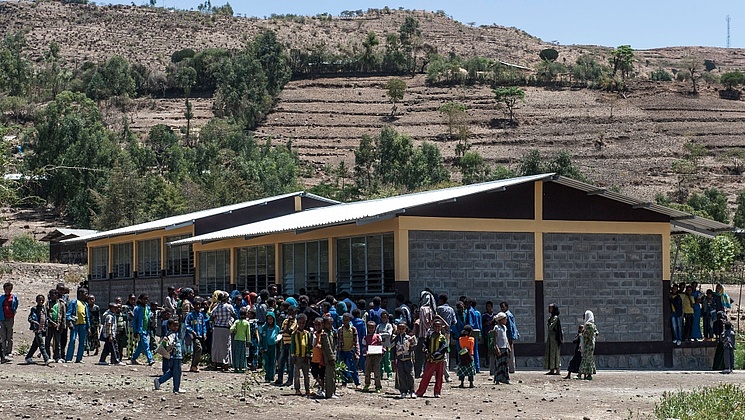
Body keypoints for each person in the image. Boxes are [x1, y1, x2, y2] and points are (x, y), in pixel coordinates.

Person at [415, 319, 448, 398]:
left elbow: (444, 348)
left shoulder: (442, 337)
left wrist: (436, 354)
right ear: (433, 327)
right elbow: (425, 344)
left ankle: (437, 392)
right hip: (430, 360)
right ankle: (420, 392)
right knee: (426, 376)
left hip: (439, 360)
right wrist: (425, 350)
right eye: (435, 326)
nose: (437, 328)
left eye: (439, 326)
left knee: (439, 377)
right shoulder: (430, 336)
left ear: (441, 327)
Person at [154, 318, 183, 394]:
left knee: (171, 372)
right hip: (175, 356)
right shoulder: (171, 335)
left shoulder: (173, 333)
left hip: (175, 356)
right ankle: (176, 389)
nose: (176, 327)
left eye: (177, 325)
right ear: (169, 326)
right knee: (177, 372)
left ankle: (159, 381)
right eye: (174, 325)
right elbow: (167, 344)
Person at [211, 292, 236, 371]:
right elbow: (234, 315)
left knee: (216, 346)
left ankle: (215, 363)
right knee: (226, 346)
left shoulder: (216, 307)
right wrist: (230, 321)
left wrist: (216, 321)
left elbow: (211, 316)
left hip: (217, 328)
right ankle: (225, 364)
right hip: (225, 328)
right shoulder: (229, 307)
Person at [65, 287, 90, 363]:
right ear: (80, 294)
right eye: (86, 294)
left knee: (82, 342)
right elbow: (68, 314)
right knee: (72, 340)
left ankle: (79, 359)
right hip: (75, 325)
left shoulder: (85, 304)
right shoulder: (74, 302)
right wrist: (70, 322)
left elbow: (87, 316)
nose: (87, 295)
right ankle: (69, 358)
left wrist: (88, 327)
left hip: (83, 325)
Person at [393, 322, 417, 399]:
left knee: (410, 375)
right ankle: (403, 391)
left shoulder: (409, 338)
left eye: (403, 328)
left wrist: (411, 343)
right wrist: (392, 360)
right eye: (399, 328)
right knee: (401, 376)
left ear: (405, 328)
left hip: (408, 359)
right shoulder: (395, 338)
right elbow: (393, 350)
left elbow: (413, 348)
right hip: (400, 360)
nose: (401, 330)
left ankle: (412, 391)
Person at [26, 294, 52, 365]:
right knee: (41, 344)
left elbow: (46, 318)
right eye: (39, 300)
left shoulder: (44, 309)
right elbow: (30, 318)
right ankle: (46, 359)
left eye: (42, 300)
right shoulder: (34, 309)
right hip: (37, 329)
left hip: (43, 329)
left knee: (35, 344)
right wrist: (35, 322)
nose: (41, 301)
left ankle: (28, 357)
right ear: (36, 301)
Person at [130, 293, 154, 366]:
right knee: (146, 345)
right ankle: (150, 359)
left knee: (140, 346)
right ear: (141, 299)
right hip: (140, 330)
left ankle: (133, 358)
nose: (146, 300)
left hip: (146, 329)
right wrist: (135, 331)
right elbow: (135, 320)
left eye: (147, 299)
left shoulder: (148, 308)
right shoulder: (137, 309)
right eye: (144, 299)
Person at [415, 291, 435, 378]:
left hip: (422, 335)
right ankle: (426, 372)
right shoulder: (432, 309)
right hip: (430, 336)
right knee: (428, 356)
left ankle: (417, 373)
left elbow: (424, 322)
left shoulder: (422, 309)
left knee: (419, 356)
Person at [337, 312, 360, 388]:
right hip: (342, 350)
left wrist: (357, 352)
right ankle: (344, 382)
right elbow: (338, 340)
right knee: (343, 368)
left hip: (351, 350)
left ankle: (357, 383)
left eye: (347, 320)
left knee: (353, 367)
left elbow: (356, 341)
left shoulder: (353, 329)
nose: (345, 321)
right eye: (344, 320)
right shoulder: (340, 330)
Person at [291, 313, 312, 395]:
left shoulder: (307, 333)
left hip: (305, 357)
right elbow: (293, 345)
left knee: (306, 374)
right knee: (297, 374)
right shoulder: (294, 334)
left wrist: (308, 355)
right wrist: (293, 356)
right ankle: (297, 389)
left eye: (303, 323)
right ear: (297, 323)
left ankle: (307, 389)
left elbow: (308, 345)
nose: (301, 325)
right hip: (297, 356)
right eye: (300, 323)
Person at [276, 305, 296, 386]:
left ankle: (290, 380)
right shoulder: (285, 321)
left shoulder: (295, 322)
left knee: (290, 363)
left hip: (291, 344)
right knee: (281, 361)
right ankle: (280, 378)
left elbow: (289, 331)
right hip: (284, 343)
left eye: (292, 312)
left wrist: (286, 328)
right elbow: (282, 330)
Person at [184, 298, 206, 373]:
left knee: (196, 350)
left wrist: (204, 333)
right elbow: (187, 325)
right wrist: (192, 331)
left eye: (199, 305)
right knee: (199, 348)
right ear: (193, 306)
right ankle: (195, 365)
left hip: (200, 335)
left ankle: (193, 366)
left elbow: (203, 325)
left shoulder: (201, 315)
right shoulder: (190, 315)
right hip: (194, 335)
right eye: (196, 305)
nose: (198, 306)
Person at [362, 320, 383, 393]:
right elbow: (364, 347)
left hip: (376, 356)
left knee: (377, 371)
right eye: (369, 327)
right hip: (369, 356)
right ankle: (367, 384)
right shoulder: (365, 337)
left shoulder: (378, 336)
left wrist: (382, 351)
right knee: (367, 370)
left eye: (372, 327)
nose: (371, 329)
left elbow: (381, 345)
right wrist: (365, 352)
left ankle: (378, 386)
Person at [45, 289, 66, 363]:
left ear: (56, 295)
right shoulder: (47, 304)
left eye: (53, 295)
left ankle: (57, 357)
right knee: (47, 342)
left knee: (57, 342)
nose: (51, 296)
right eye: (50, 295)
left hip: (58, 325)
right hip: (49, 326)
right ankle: (47, 357)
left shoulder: (61, 304)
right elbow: (46, 315)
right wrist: (51, 322)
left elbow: (63, 316)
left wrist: (63, 326)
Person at [320, 316, 338, 399]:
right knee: (329, 376)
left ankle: (333, 391)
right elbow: (327, 347)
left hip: (333, 356)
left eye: (331, 323)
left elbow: (335, 345)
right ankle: (329, 393)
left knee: (333, 375)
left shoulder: (332, 333)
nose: (330, 325)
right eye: (328, 324)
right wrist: (331, 357)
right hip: (329, 358)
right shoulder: (324, 334)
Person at [260, 311, 280, 383]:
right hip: (265, 347)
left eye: (271, 319)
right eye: (268, 319)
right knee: (266, 362)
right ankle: (266, 376)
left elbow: (279, 336)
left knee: (273, 362)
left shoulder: (276, 328)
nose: (270, 321)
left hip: (273, 347)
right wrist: (261, 347)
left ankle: (271, 376)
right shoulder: (264, 327)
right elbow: (261, 338)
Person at [500, 301, 519, 374]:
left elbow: (511, 327)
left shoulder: (507, 315)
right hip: (508, 336)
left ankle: (511, 368)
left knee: (510, 352)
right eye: (501, 307)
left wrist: (510, 337)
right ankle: (510, 368)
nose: (502, 309)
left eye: (503, 307)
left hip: (509, 336)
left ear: (506, 307)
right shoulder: (508, 314)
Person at [578, 310, 598, 380]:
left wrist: (582, 334)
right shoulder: (593, 324)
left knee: (585, 359)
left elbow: (587, 335)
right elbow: (596, 333)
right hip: (591, 344)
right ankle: (588, 374)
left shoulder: (588, 325)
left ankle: (580, 374)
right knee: (589, 359)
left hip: (588, 345)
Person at [543, 303, 562, 375]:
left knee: (555, 353)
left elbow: (551, 327)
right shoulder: (552, 317)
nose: (549, 309)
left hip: (555, 339)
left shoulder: (555, 318)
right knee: (550, 353)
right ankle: (551, 369)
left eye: (550, 308)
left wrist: (548, 322)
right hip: (550, 338)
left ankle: (557, 369)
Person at [230, 307, 250, 373]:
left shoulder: (236, 321)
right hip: (243, 340)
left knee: (236, 353)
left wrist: (234, 331)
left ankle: (236, 367)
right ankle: (241, 367)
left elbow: (231, 329)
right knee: (242, 354)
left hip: (236, 339)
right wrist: (248, 341)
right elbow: (248, 333)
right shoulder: (247, 323)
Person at [0, 282, 18, 356]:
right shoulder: (1, 298)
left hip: (10, 318)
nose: (7, 290)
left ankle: (9, 351)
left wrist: (13, 313)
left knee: (9, 336)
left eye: (9, 289)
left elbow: (16, 305)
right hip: (2, 318)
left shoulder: (14, 297)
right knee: (3, 335)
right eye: (6, 289)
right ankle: (3, 351)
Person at [493, 312, 510, 384]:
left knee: (505, 364)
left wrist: (508, 346)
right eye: (505, 319)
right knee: (499, 364)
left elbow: (506, 338)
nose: (506, 320)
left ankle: (505, 379)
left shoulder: (505, 328)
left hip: (505, 347)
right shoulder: (496, 328)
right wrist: (496, 347)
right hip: (499, 347)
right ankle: (497, 379)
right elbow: (494, 339)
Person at [376, 310, 394, 380]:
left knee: (387, 361)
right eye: (382, 317)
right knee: (380, 361)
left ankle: (389, 374)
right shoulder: (379, 326)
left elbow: (389, 333)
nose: (384, 319)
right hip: (379, 346)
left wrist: (380, 335)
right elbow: (376, 334)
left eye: (385, 317)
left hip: (387, 345)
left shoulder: (389, 326)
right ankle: (380, 374)